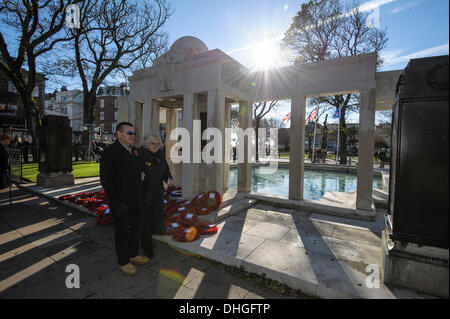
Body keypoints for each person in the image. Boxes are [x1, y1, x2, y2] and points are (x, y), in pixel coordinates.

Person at [100, 122, 148, 276]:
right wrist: (117, 202)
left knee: (136, 229)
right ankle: (123, 261)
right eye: (129, 133)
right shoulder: (110, 152)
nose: (132, 136)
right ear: (119, 134)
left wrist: (142, 173)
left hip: (137, 199)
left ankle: (133, 254)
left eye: (133, 133)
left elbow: (141, 167)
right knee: (122, 232)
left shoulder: (134, 151)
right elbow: (106, 180)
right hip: (121, 201)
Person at [139, 132, 174, 258]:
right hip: (145, 194)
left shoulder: (160, 153)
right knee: (146, 221)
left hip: (158, 192)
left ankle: (150, 240)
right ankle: (147, 247)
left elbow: (165, 169)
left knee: (156, 218)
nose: (155, 146)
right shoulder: (139, 155)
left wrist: (169, 178)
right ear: (146, 144)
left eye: (158, 144)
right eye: (152, 144)